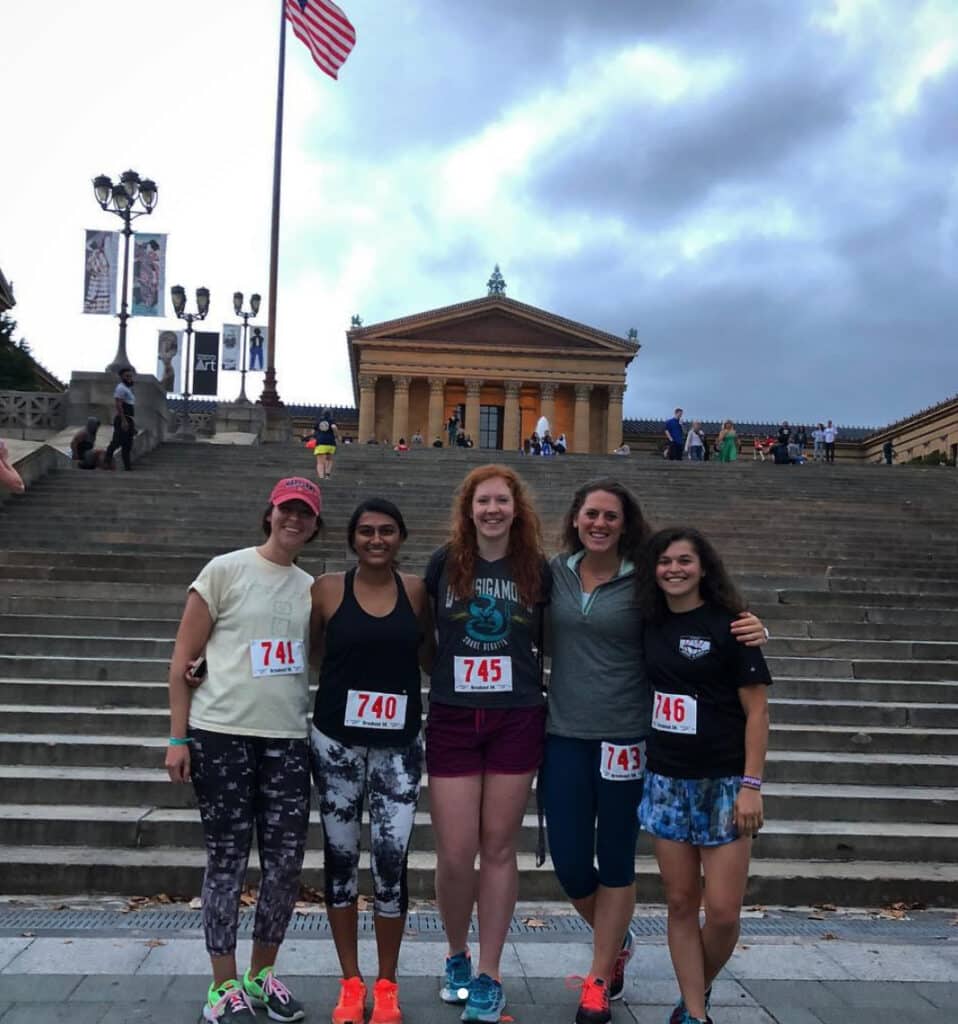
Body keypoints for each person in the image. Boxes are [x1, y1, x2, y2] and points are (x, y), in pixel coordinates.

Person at [543, 482, 767, 1024]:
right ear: (576, 519)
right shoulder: (555, 573)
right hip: (574, 737)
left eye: (610, 516)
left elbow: (704, 620)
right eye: (590, 513)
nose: (599, 523)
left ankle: (614, 981)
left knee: (624, 866)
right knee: (574, 865)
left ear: (625, 524)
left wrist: (754, 626)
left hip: (634, 742)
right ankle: (618, 943)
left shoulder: (641, 584)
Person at [165, 476, 322, 1023]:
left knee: (284, 865)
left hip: (285, 739)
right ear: (269, 514)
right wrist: (178, 737)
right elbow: (184, 657)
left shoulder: (313, 589)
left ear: (315, 524)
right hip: (221, 733)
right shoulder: (224, 570)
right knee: (227, 860)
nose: (294, 520)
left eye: (305, 514)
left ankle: (262, 975)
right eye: (287, 510)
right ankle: (221, 986)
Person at [424, 465, 550, 1024]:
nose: (493, 510)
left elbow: (552, 641)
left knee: (499, 847)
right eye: (483, 501)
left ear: (516, 508)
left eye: (502, 500)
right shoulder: (444, 565)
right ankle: (455, 953)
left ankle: (490, 972)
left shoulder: (536, 570)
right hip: (453, 716)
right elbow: (426, 637)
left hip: (516, 716)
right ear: (468, 508)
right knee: (454, 853)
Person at [637, 527, 771, 1024]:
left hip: (724, 783)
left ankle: (698, 985)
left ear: (703, 567)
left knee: (722, 913)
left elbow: (757, 712)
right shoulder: (646, 622)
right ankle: (694, 1012)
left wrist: (751, 786)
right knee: (678, 902)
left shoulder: (733, 624)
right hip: (666, 781)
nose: (674, 569)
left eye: (684, 561)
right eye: (665, 561)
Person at [310, 499, 433, 1024]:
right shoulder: (327, 588)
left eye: (386, 531)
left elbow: (427, 655)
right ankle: (349, 980)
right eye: (366, 531)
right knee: (339, 861)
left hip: (399, 746)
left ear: (401, 537)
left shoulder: (415, 591)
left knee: (390, 863)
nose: (376, 539)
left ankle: (386, 982)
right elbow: (315, 652)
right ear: (351, 538)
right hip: (337, 740)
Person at [105, 367, 136, 471]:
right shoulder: (121, 388)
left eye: (130, 376)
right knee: (117, 442)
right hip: (123, 419)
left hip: (130, 419)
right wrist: (123, 421)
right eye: (127, 376)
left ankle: (127, 467)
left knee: (127, 444)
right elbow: (118, 404)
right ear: (122, 377)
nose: (129, 378)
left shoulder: (128, 389)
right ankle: (107, 460)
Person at [313, 409, 339, 480]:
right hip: (331, 442)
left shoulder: (319, 421)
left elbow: (314, 430)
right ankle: (327, 475)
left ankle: (321, 477)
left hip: (321, 442)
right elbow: (334, 427)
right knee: (329, 459)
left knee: (320, 462)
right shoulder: (332, 421)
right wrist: (336, 435)